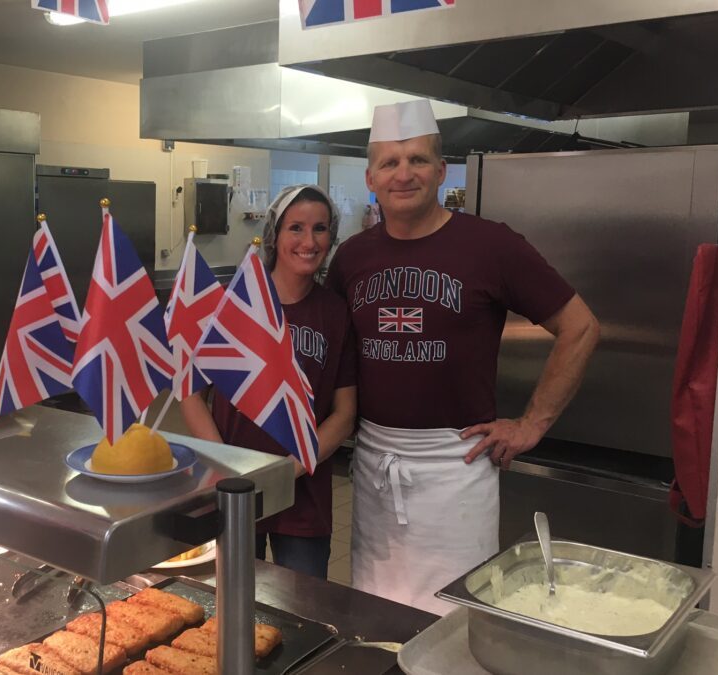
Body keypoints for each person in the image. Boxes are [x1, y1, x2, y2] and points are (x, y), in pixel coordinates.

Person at [325, 100, 600, 614]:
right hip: (375, 467)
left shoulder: (490, 245)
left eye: (418, 160)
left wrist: (532, 423)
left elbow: (580, 327)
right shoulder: (352, 257)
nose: (403, 173)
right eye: (389, 163)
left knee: (456, 618)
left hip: (458, 469)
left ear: (441, 170)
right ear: (370, 178)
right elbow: (332, 355)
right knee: (375, 611)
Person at [181, 185, 358, 579]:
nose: (309, 241)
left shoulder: (335, 313)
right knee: (231, 606)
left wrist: (288, 470)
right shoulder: (234, 303)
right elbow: (191, 395)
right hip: (232, 492)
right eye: (296, 228)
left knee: (302, 609)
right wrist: (229, 470)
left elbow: (344, 415)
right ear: (275, 234)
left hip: (303, 493)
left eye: (320, 229)